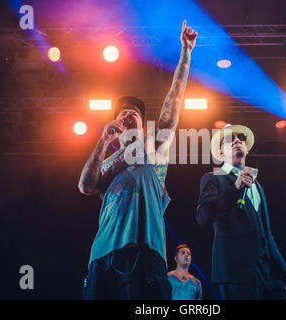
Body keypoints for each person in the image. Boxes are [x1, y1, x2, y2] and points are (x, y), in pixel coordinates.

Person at [78, 21, 197, 300]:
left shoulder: (152, 147)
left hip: (144, 253)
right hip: (102, 256)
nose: (128, 115)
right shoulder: (106, 163)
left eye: (134, 114)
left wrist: (186, 53)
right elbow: (85, 186)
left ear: (143, 126)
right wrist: (103, 141)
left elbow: (173, 103)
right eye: (123, 114)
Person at [196, 124, 286, 300]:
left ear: (247, 150)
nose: (237, 140)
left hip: (266, 273)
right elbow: (203, 218)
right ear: (221, 153)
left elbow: (267, 235)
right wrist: (235, 188)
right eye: (229, 139)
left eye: (241, 138)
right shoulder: (212, 177)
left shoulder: (258, 186)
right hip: (235, 272)